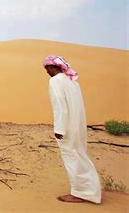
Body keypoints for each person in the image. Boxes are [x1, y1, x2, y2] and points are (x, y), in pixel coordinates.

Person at [43, 55, 101, 204]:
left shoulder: (55, 81)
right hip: (78, 126)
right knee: (80, 155)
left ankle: (80, 193)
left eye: (47, 68)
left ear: (53, 67)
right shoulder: (72, 82)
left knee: (72, 158)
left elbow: (60, 106)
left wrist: (60, 129)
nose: (46, 72)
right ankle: (92, 190)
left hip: (67, 128)